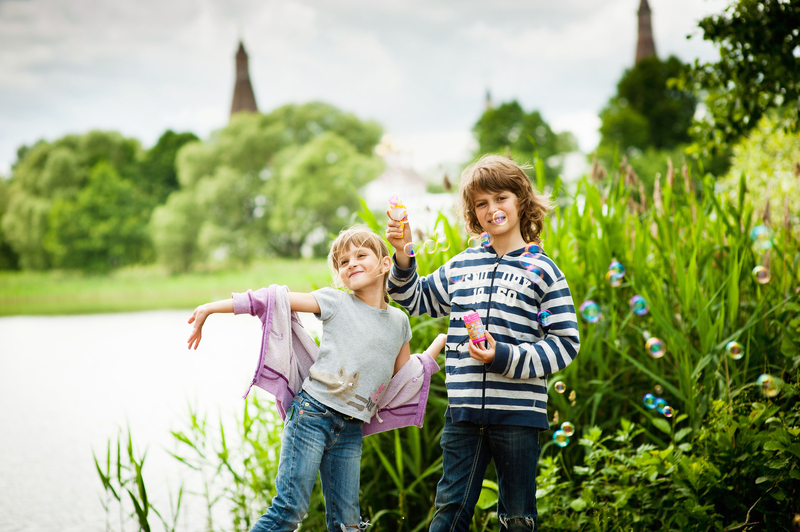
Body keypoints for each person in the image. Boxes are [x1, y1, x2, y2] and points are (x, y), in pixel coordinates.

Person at [186, 225, 446, 532]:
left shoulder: (400, 322)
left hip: (351, 429)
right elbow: (272, 299)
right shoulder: (336, 302)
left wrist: (440, 344)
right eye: (343, 261)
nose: (351, 264)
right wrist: (210, 308)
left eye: (361, 255)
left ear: (385, 263)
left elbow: (404, 378)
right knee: (288, 510)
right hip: (311, 415)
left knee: (347, 525)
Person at [385, 155, 580, 531]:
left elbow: (565, 342)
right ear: (473, 213)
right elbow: (414, 297)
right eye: (481, 203)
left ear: (521, 200)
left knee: (517, 517)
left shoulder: (544, 271)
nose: (492, 209)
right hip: (463, 412)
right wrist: (403, 253)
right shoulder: (462, 265)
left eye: (501, 198)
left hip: (519, 415)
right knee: (449, 511)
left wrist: (502, 355)